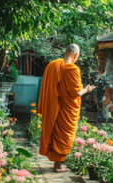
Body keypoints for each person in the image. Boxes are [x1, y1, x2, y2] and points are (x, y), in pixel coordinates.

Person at [38, 44, 96, 172]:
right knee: (63, 135)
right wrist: (86, 90)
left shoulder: (52, 65)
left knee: (55, 133)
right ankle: (58, 166)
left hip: (54, 107)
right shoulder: (73, 69)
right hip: (66, 108)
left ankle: (56, 164)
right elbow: (76, 93)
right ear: (76, 55)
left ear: (65, 52)